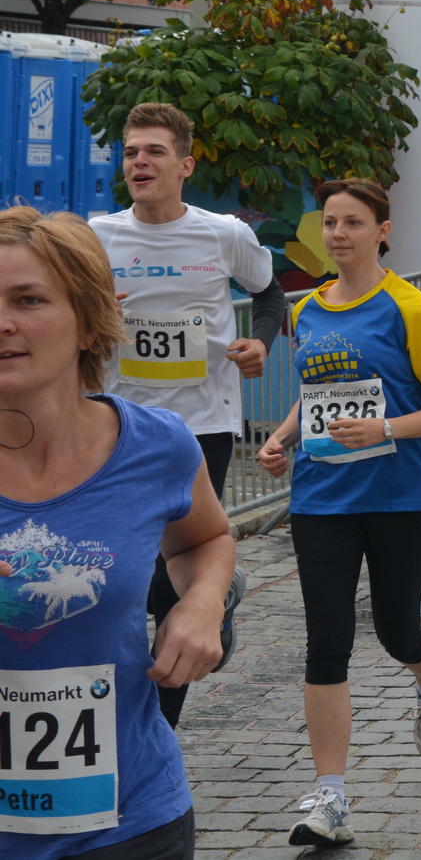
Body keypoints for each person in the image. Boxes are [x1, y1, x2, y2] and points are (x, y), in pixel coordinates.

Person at [0, 206, 235, 860]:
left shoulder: (156, 446)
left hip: (132, 823)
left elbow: (204, 540)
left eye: (27, 299)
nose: (2, 322)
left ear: (88, 317)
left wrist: (202, 602)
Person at [256, 179, 421, 847]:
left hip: (402, 493)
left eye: (353, 222)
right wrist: (282, 436)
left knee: (396, 628)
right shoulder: (311, 307)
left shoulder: (409, 307)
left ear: (383, 229)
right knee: (326, 637)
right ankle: (331, 797)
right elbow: (315, 391)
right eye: (331, 222)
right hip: (322, 497)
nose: (339, 233)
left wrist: (384, 429)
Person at [87, 103, 277, 728]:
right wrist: (95, 314)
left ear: (184, 165)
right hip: (117, 423)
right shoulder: (97, 236)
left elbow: (269, 294)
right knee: (126, 568)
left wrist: (261, 344)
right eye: (132, 151)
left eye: (154, 152)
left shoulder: (223, 233)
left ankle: (159, 728)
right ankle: (215, 592)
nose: (139, 161)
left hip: (203, 425)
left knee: (173, 579)